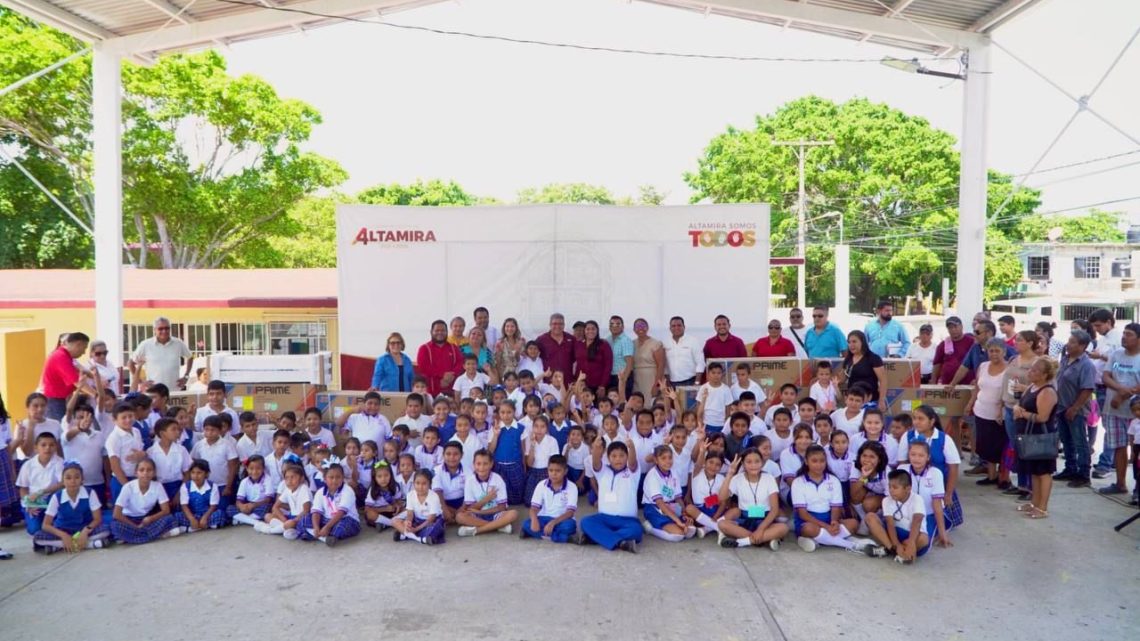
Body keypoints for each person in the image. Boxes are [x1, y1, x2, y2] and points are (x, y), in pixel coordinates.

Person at [791, 444, 877, 554]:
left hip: (828, 519)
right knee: (809, 529)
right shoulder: (798, 482)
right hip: (808, 522)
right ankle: (851, 544)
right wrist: (826, 527)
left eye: (822, 461)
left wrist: (834, 522)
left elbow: (836, 507)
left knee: (853, 524)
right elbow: (803, 514)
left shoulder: (833, 480)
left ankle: (820, 540)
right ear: (806, 462)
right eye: (814, 461)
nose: (819, 465)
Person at [575, 438, 642, 552]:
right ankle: (621, 542)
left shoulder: (632, 472)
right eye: (614, 456)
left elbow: (632, 462)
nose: (618, 459)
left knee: (636, 530)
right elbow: (595, 461)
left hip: (627, 520)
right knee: (585, 522)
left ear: (627, 456)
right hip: (604, 518)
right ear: (608, 458)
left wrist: (632, 448)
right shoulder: (603, 471)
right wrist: (596, 448)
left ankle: (596, 538)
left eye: (622, 455)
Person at [1012, 358, 1059, 519]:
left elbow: (1043, 417)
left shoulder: (1047, 391)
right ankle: (1034, 503)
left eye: (1035, 370)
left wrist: (1022, 413)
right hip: (1028, 435)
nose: (1030, 372)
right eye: (1030, 369)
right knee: (1034, 472)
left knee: (1044, 472)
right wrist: (1017, 408)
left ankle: (1043, 507)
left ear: (1045, 375)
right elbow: (1021, 403)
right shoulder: (1031, 387)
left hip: (1041, 437)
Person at [1097, 322, 1140, 496]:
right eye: (1124, 333)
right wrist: (1120, 389)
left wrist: (1123, 395)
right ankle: (1120, 483)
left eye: (1129, 334)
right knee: (1118, 446)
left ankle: (1138, 488)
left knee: (1137, 448)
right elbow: (1107, 376)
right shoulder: (1116, 355)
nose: (1124, 337)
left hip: (1135, 410)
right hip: (1113, 408)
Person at [32, 461, 112, 554]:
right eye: (68, 478)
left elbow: (97, 519)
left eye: (77, 477)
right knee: (38, 537)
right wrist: (63, 536)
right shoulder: (57, 497)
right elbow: (45, 525)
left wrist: (85, 532)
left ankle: (58, 547)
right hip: (63, 530)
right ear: (63, 481)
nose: (73, 481)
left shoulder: (90, 493)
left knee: (106, 529)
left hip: (84, 529)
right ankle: (90, 544)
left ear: (82, 479)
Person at [1053, 330, 1096, 488]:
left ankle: (1083, 473)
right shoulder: (1065, 359)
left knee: (1080, 442)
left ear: (1083, 346)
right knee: (1066, 440)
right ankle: (1070, 468)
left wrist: (1075, 407)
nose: (1068, 345)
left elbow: (1087, 388)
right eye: (1069, 341)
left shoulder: (1086, 365)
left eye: (1073, 342)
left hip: (1075, 409)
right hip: (1061, 407)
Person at [964, 339, 1009, 488]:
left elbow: (1007, 393)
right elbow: (977, 387)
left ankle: (1004, 478)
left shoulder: (1009, 369)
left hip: (999, 414)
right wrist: (970, 403)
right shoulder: (983, 366)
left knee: (1001, 446)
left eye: (997, 351)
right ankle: (991, 475)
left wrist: (1000, 410)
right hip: (981, 411)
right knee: (986, 446)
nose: (994, 354)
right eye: (991, 351)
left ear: (1004, 352)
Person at [863, 469, 930, 563]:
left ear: (908, 489)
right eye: (889, 487)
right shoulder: (886, 500)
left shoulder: (917, 499)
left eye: (895, 487)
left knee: (924, 539)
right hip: (893, 534)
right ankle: (894, 551)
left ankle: (890, 550)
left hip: (912, 535)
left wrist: (911, 543)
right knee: (870, 517)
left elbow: (917, 522)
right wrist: (896, 545)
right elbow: (890, 524)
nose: (891, 491)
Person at [110, 458, 181, 544]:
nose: (145, 473)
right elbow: (116, 514)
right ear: (136, 473)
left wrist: (151, 518)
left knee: (169, 519)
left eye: (149, 470)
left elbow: (166, 510)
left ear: (154, 473)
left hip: (147, 520)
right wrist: (135, 526)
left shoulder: (158, 486)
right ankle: (152, 535)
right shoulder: (128, 487)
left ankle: (133, 538)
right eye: (141, 470)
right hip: (129, 519)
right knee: (116, 526)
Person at [897, 441, 952, 549]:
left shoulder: (935, 473)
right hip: (905, 515)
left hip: (927, 516)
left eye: (921, 455)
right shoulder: (902, 469)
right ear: (909, 455)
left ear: (928, 457)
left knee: (922, 541)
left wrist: (942, 532)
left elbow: (937, 504)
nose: (916, 458)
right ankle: (900, 550)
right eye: (913, 454)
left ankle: (899, 550)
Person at [1090, 309, 1122, 479]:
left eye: (1099, 325)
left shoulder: (1117, 339)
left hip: (1110, 387)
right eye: (1094, 326)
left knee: (1110, 427)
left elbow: (1116, 363)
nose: (1097, 329)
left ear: (1109, 322)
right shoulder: (1104, 339)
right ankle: (1112, 460)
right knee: (1108, 426)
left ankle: (1106, 463)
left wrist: (1100, 356)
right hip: (1100, 387)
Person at [640, 445, 697, 542]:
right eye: (663, 458)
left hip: (671, 506)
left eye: (670, 458)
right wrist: (678, 521)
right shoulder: (653, 476)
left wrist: (684, 513)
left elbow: (678, 498)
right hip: (654, 508)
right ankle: (649, 528)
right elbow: (660, 503)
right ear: (656, 460)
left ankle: (675, 525)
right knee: (678, 535)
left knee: (691, 530)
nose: (668, 461)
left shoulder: (673, 473)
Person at [456, 449, 518, 537]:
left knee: (513, 513)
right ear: (473, 464)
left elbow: (502, 507)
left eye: (485, 464)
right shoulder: (470, 481)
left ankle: (478, 530)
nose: (481, 467)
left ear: (491, 464)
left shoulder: (498, 479)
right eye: (478, 464)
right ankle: (499, 526)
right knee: (459, 517)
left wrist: (481, 512)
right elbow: (470, 508)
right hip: (476, 515)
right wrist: (486, 499)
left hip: (495, 514)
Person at [298, 463, 361, 546]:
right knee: (304, 519)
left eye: (338, 477)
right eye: (331, 477)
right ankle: (324, 538)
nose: (334, 480)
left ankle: (316, 534)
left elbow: (341, 513)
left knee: (342, 527)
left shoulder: (347, 491)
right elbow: (316, 511)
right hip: (327, 519)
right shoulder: (320, 492)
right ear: (325, 478)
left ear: (343, 478)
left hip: (345, 519)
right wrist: (316, 526)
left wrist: (327, 527)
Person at [521, 454, 578, 543]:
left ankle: (536, 534)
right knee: (526, 523)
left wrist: (553, 523)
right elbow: (534, 508)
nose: (554, 474)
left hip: (561, 520)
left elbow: (570, 513)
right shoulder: (541, 484)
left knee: (569, 526)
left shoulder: (572, 487)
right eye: (551, 470)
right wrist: (534, 520)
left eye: (558, 471)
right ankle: (565, 538)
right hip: (543, 518)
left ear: (565, 471)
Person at [16, 433, 63, 536]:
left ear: (56, 447)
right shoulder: (28, 465)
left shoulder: (59, 462)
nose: (48, 448)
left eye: (51, 445)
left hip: (51, 498)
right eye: (43, 445)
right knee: (35, 530)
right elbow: (23, 488)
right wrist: (28, 503)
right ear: (36, 448)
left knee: (61, 494)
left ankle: (51, 523)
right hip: (34, 501)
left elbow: (62, 483)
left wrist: (41, 492)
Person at [128, 318, 193, 391]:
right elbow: (130, 363)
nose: (164, 331)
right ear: (154, 330)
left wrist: (186, 376)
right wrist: (141, 381)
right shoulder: (146, 345)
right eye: (160, 329)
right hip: (154, 392)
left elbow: (190, 357)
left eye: (166, 328)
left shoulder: (178, 343)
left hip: (174, 390)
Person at [41, 332, 89, 421]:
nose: (84, 352)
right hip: (54, 401)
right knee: (60, 429)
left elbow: (81, 372)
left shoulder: (66, 356)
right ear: (78, 344)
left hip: (62, 399)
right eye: (84, 348)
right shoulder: (60, 356)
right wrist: (96, 395)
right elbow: (77, 382)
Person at [392, 469, 445, 545]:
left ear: (430, 484)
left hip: (431, 522)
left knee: (436, 528)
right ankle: (419, 539)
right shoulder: (410, 495)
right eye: (417, 483)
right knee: (394, 521)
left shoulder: (434, 496)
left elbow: (431, 519)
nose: (420, 487)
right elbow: (410, 514)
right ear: (413, 483)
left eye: (424, 484)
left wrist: (416, 529)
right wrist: (408, 522)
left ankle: (406, 535)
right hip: (417, 520)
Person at [173, 459, 227, 532]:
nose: (195, 476)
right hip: (192, 514)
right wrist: (192, 519)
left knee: (220, 513)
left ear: (206, 474)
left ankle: (190, 529)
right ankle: (207, 526)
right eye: (193, 473)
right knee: (177, 516)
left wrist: (205, 518)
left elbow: (213, 506)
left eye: (199, 473)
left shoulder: (213, 486)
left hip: (207, 515)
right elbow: (184, 506)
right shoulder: (185, 486)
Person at [837, 331, 886, 409]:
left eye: (854, 341)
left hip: (869, 401)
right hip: (853, 400)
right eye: (849, 342)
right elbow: (842, 379)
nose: (851, 345)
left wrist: (881, 400)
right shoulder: (848, 359)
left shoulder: (873, 358)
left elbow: (883, 381)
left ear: (862, 342)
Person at [416, 320, 465, 397]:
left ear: (447, 332)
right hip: (430, 393)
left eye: (443, 330)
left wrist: (451, 376)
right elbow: (423, 367)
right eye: (437, 330)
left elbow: (460, 363)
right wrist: (442, 375)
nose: (440, 333)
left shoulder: (453, 348)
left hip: (451, 394)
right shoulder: (424, 348)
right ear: (431, 332)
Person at [228, 455, 275, 527]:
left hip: (260, 504)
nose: (254, 472)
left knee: (266, 508)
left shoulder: (267, 479)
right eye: (251, 468)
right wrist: (241, 507)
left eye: (258, 468)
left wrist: (253, 505)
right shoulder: (244, 481)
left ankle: (242, 519)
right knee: (229, 508)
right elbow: (239, 500)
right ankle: (254, 522)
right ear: (246, 469)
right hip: (247, 505)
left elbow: (268, 499)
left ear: (263, 469)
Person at [574, 320, 614, 392]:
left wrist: (602, 385)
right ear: (584, 331)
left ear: (597, 330)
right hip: (582, 384)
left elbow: (608, 366)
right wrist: (577, 381)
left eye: (593, 329)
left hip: (598, 386)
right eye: (588, 329)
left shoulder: (603, 345)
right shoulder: (579, 345)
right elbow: (578, 365)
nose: (590, 331)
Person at [664, 316, 705, 386]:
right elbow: (666, 366)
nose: (676, 328)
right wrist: (667, 382)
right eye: (673, 326)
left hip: (690, 381)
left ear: (684, 327)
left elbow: (700, 363)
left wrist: (697, 382)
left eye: (679, 325)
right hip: (672, 383)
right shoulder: (666, 343)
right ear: (670, 328)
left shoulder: (693, 341)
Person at [536, 313, 577, 382]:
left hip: (567, 380)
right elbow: (531, 353)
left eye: (560, 324)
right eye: (554, 324)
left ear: (564, 325)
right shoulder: (541, 339)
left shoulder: (571, 339)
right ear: (550, 325)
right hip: (549, 381)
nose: (557, 326)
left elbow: (575, 358)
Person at [631, 319, 666, 399]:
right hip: (637, 379)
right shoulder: (632, 343)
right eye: (637, 326)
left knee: (650, 402)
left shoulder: (655, 343)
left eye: (643, 326)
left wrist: (656, 385)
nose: (640, 328)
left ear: (647, 328)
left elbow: (661, 365)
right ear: (634, 329)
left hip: (651, 378)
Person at [605, 316, 635, 399]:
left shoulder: (626, 340)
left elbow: (630, 363)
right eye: (612, 324)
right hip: (611, 377)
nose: (615, 326)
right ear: (609, 327)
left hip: (623, 377)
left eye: (618, 324)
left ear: (623, 326)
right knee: (611, 403)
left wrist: (623, 380)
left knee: (623, 403)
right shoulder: (608, 340)